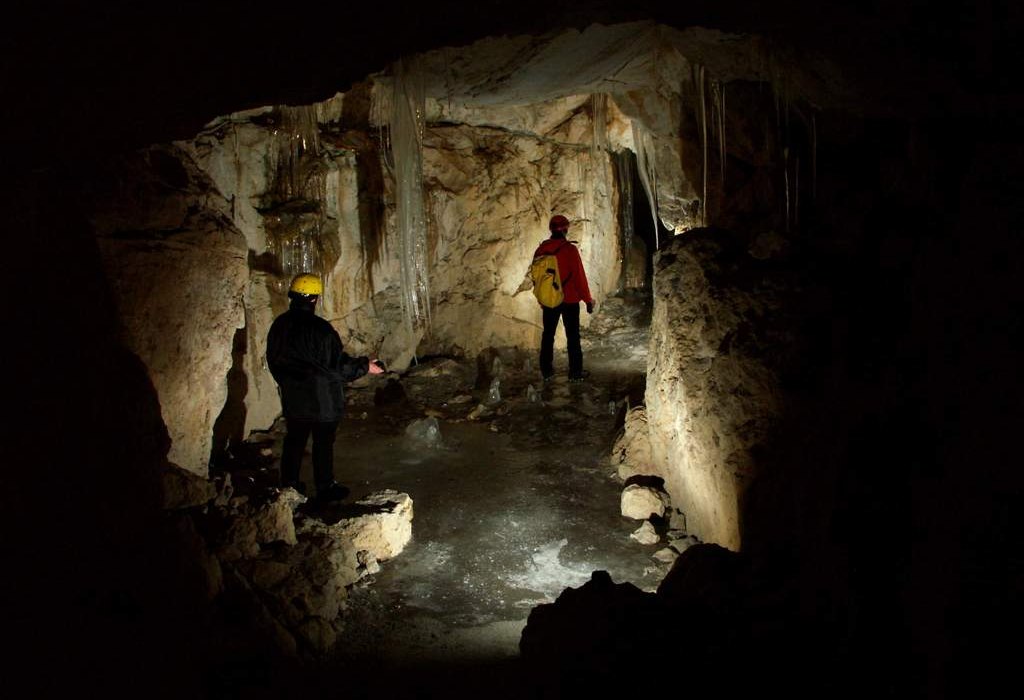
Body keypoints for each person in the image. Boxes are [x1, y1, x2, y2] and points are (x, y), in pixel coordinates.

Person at [266, 273, 384, 502]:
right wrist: (365, 366)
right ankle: (325, 486)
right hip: (323, 399)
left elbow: (274, 360)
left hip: (294, 396)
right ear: (314, 299)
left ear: (292, 295)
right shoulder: (320, 329)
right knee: (323, 442)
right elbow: (338, 366)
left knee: (295, 440)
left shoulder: (279, 325)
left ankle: (289, 486)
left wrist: (288, 383)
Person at [533, 214, 595, 383]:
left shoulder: (541, 250)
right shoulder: (569, 250)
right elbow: (579, 277)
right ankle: (575, 372)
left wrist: (542, 298)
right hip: (569, 300)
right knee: (573, 337)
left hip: (550, 300)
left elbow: (537, 278)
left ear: (551, 230)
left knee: (548, 335)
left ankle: (546, 371)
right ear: (566, 230)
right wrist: (587, 300)